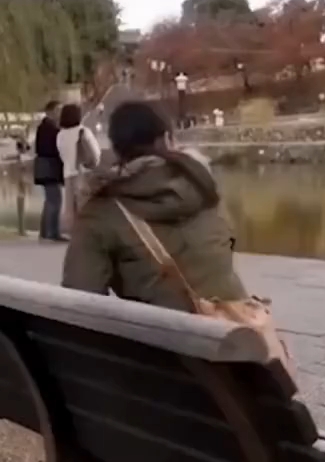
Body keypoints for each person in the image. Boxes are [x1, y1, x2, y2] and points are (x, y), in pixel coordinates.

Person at [61, 101, 245, 312]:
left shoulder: (100, 212)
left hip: (165, 330)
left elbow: (80, 302)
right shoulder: (203, 185)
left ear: (116, 149)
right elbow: (228, 243)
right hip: (239, 322)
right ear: (167, 139)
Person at [56, 103, 102, 232]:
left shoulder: (60, 135)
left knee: (71, 209)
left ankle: (73, 233)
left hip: (67, 173)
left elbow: (62, 155)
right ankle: (87, 233)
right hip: (83, 172)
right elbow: (96, 153)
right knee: (86, 206)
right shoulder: (83, 131)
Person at [33, 100, 67, 242]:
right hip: (48, 167)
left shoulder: (47, 127)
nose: (59, 113)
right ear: (49, 112)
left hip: (46, 167)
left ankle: (46, 232)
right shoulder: (49, 129)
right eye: (57, 110)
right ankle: (51, 232)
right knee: (54, 200)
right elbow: (52, 149)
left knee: (51, 200)